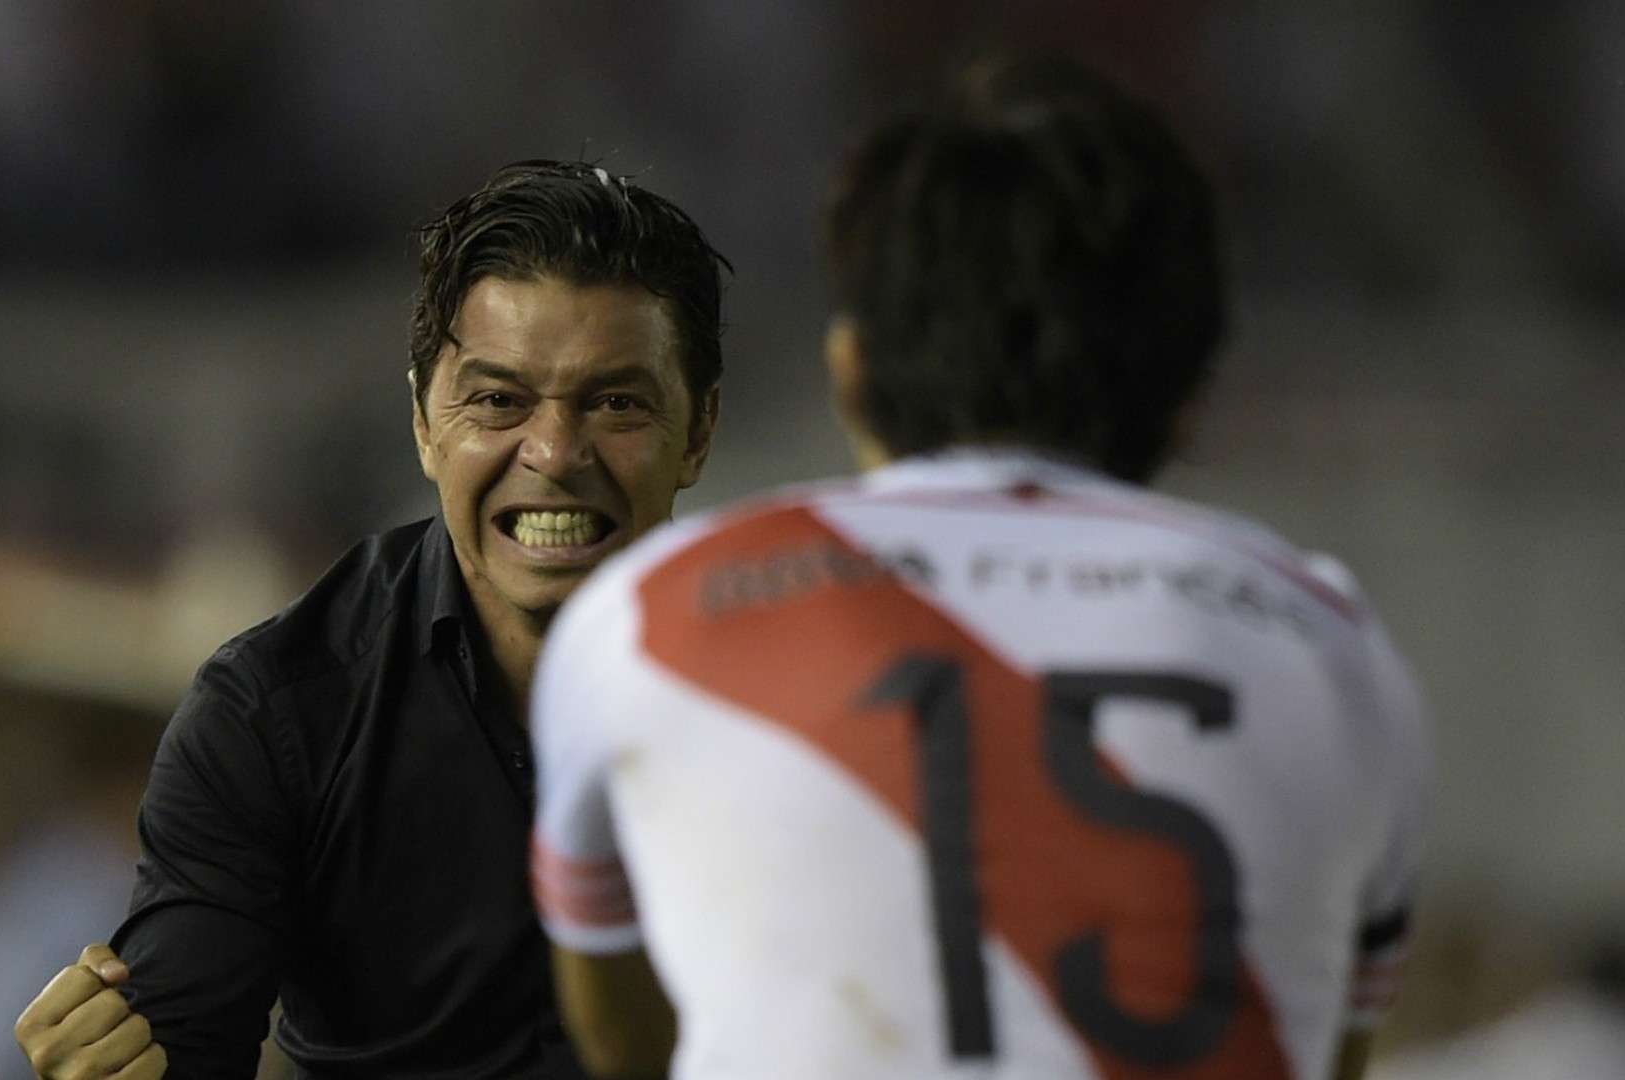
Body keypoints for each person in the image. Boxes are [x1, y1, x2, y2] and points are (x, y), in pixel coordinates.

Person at [528, 57, 1429, 1080]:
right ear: (1191, 395)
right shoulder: (1328, 644)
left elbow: (618, 1037)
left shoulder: (647, 618)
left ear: (850, 371)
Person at [12, 160, 728, 1079]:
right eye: (499, 401)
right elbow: (179, 1060)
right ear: (426, 423)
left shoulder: (809, 699)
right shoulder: (274, 714)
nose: (553, 452)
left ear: (699, 431)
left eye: (617, 401)